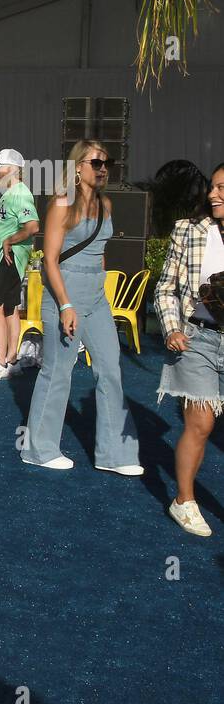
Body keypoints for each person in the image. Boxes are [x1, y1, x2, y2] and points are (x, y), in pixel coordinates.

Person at [21, 140, 141, 474]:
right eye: (96, 163)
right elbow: (50, 260)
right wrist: (65, 304)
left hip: (96, 294)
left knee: (111, 369)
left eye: (107, 163)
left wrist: (100, 287)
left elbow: (100, 251)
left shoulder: (106, 204)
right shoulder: (63, 203)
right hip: (64, 292)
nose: (103, 168)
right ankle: (38, 449)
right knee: (58, 371)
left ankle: (116, 454)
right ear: (77, 167)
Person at [153, 161, 224, 536]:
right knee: (201, 423)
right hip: (196, 338)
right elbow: (165, 288)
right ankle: (184, 501)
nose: (213, 194)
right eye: (212, 187)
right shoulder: (189, 230)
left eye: (222, 188)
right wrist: (171, 329)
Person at [0, 149, 39, 381]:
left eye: (0, 166)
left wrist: (9, 240)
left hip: (10, 257)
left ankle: (0, 360)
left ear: (13, 170)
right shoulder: (10, 193)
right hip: (6, 258)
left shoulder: (20, 193)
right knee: (10, 308)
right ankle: (12, 359)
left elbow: (32, 226)